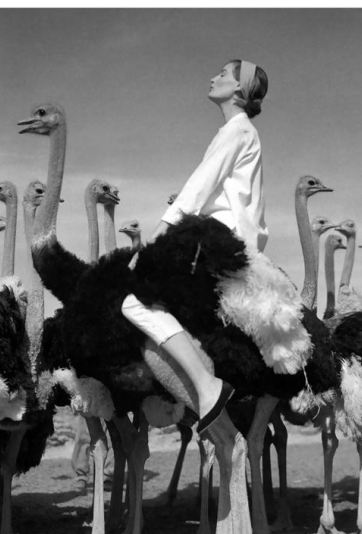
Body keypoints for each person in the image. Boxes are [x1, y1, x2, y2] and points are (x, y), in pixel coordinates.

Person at [121, 59, 269, 434]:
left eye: (223, 73)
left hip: (214, 247)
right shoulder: (242, 133)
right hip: (222, 245)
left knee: (132, 301)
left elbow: (198, 187)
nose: (213, 77)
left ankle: (206, 386)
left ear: (240, 89)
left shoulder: (236, 131)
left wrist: (155, 237)